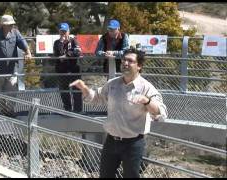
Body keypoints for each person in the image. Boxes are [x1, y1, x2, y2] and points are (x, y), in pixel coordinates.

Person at [70, 48, 168, 178]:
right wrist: (84, 88)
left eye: (130, 61)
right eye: (123, 60)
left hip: (133, 144)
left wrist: (147, 101)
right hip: (111, 141)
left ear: (139, 66)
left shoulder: (146, 87)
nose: (125, 63)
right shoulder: (113, 84)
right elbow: (95, 98)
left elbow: (161, 113)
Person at [0, 14, 32, 116]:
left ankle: (10, 110)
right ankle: (3, 110)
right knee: (1, 91)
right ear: (3, 25)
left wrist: (28, 52)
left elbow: (22, 42)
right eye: (9, 24)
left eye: (12, 24)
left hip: (12, 69)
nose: (11, 26)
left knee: (13, 90)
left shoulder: (15, 33)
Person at [53, 22, 83, 113]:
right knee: (64, 91)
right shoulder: (57, 43)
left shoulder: (74, 41)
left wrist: (66, 55)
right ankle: (68, 109)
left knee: (76, 91)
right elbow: (57, 54)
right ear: (59, 32)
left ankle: (78, 110)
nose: (63, 33)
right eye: (61, 31)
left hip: (74, 70)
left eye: (65, 31)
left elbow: (78, 52)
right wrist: (62, 43)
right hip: (62, 70)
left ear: (68, 31)